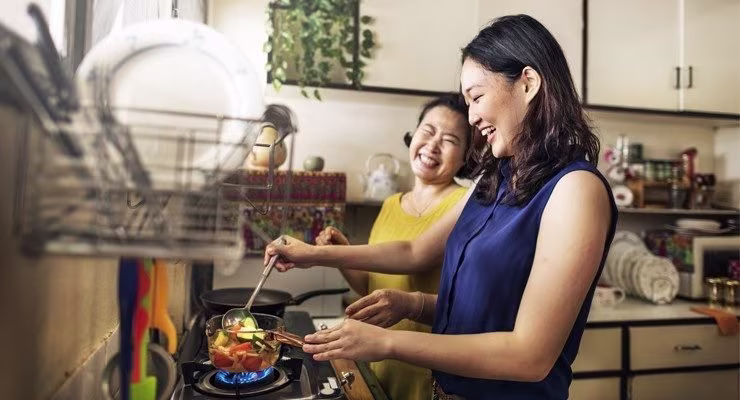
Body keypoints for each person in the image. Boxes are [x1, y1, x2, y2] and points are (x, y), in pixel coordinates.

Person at [265, 14, 617, 400]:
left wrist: (386, 343)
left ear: (528, 83)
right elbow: (417, 252)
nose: (472, 116)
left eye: (477, 97)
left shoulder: (575, 191)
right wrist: (316, 257)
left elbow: (530, 355)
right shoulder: (494, 181)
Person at [315, 93, 474, 400]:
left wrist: (316, 254)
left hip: (428, 371)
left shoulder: (465, 204)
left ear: (466, 156)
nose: (432, 145)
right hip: (379, 362)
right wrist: (344, 254)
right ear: (413, 135)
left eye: (450, 139)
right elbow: (373, 289)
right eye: (427, 131)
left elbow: (414, 257)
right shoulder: (390, 205)